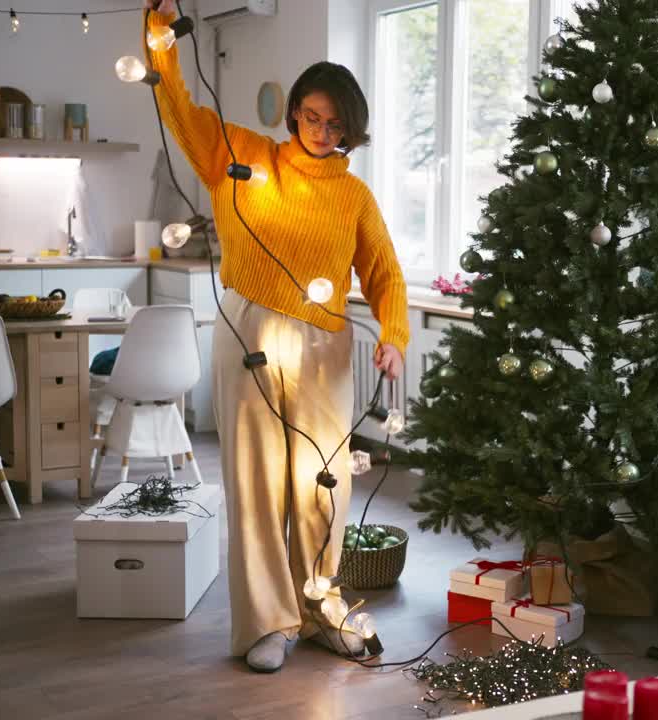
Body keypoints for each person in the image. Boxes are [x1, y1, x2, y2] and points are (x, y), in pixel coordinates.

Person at [143, 1, 408, 673]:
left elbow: (385, 275)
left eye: (336, 123)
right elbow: (177, 106)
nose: (322, 131)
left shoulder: (354, 196)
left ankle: (321, 609)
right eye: (312, 116)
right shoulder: (241, 155)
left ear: (353, 128)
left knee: (322, 485)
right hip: (250, 329)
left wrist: (395, 334)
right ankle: (266, 622)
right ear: (294, 111)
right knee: (255, 480)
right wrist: (160, 40)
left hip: (324, 343)